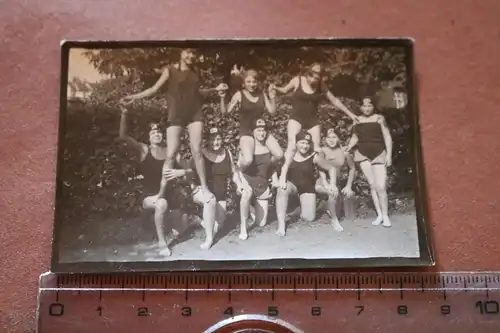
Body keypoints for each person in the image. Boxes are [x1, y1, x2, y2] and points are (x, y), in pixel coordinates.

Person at [120, 48, 228, 203]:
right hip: (176, 115)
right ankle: (161, 193)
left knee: (196, 150)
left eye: (194, 53)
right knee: (170, 155)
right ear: (181, 53)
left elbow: (198, 93)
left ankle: (204, 187)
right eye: (188, 52)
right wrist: (133, 97)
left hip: (194, 113)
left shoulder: (195, 72)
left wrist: (215, 89)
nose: (191, 56)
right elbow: (154, 89)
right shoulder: (170, 70)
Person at [272, 62, 358, 190]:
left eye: (317, 78)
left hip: (312, 120)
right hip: (296, 118)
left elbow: (334, 100)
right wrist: (274, 88)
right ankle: (283, 175)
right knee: (292, 144)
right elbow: (284, 90)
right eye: (311, 76)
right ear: (307, 73)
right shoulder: (297, 80)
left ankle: (322, 181)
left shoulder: (321, 86)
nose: (313, 80)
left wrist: (351, 114)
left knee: (317, 149)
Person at [164, 126, 247, 250]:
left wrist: (239, 184)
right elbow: (190, 170)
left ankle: (197, 220)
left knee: (219, 222)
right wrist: (183, 174)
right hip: (201, 191)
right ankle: (209, 239)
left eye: (218, 139)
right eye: (212, 139)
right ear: (207, 140)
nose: (215, 142)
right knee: (210, 201)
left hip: (220, 196)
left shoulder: (227, 153)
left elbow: (234, 172)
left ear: (222, 139)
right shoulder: (201, 154)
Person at [117, 105, 172, 256]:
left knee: (178, 216)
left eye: (159, 132)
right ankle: (162, 243)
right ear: (149, 137)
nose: (156, 134)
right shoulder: (144, 149)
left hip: (168, 194)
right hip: (149, 197)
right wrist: (124, 113)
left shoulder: (168, 151)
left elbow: (185, 167)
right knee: (161, 204)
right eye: (153, 132)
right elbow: (123, 135)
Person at [275, 131, 336, 236]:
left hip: (307, 187)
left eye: (307, 143)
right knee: (282, 189)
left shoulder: (314, 156)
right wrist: (282, 179)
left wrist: (333, 184)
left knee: (309, 218)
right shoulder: (290, 154)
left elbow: (331, 168)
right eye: (302, 143)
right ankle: (281, 226)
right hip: (293, 185)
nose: (305, 146)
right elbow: (284, 167)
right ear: (296, 143)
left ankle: (301, 208)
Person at [221, 67, 283, 171]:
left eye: (254, 82)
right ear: (243, 83)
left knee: (280, 155)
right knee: (248, 160)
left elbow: (272, 111)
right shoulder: (239, 95)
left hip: (261, 131)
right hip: (246, 132)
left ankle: (268, 172)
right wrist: (222, 98)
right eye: (248, 82)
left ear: (258, 82)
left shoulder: (262, 94)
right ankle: (238, 173)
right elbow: (225, 113)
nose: (252, 84)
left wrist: (272, 98)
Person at [345, 97, 393, 227]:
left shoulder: (379, 118)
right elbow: (355, 137)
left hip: (379, 153)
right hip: (362, 154)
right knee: (372, 184)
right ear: (360, 107)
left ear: (373, 107)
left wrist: (389, 155)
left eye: (369, 106)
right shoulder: (357, 120)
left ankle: (385, 215)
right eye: (364, 106)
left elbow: (387, 136)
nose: (367, 109)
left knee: (381, 186)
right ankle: (379, 215)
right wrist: (348, 148)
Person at [237, 118, 280, 240]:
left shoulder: (269, 147)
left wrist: (275, 180)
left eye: (263, 131)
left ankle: (251, 206)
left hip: (261, 185)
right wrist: (241, 183)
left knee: (261, 223)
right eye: (258, 130)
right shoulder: (247, 147)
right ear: (253, 132)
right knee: (246, 195)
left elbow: (271, 167)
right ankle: (243, 228)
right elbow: (238, 168)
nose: (261, 133)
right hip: (247, 181)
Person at [314, 128, 356, 232]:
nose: (331, 140)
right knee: (331, 193)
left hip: (336, 182)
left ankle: (326, 206)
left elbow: (353, 168)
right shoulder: (322, 151)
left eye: (334, 137)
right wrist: (325, 183)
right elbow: (320, 168)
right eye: (329, 137)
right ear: (325, 139)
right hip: (322, 181)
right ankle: (334, 221)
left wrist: (348, 185)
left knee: (334, 195)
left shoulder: (344, 152)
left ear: (338, 139)